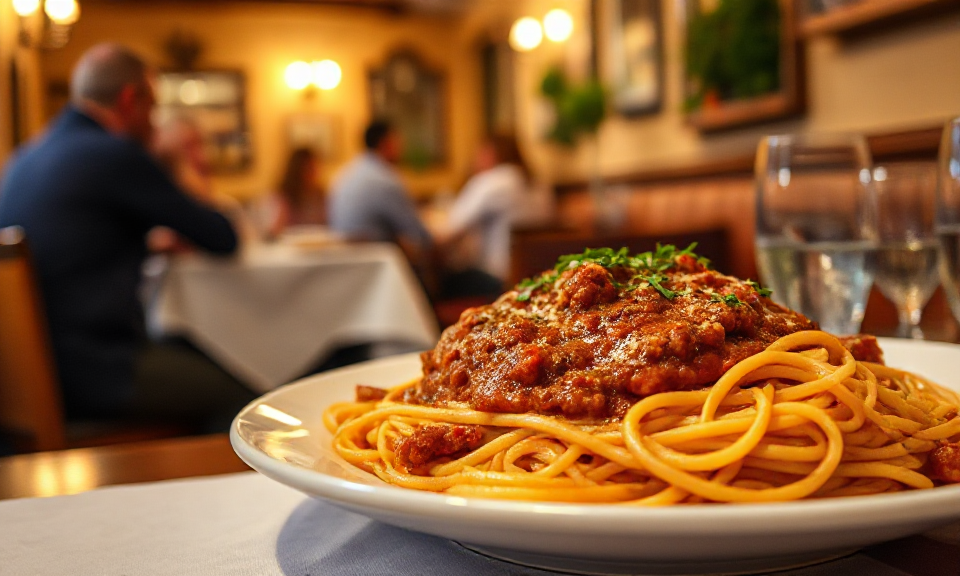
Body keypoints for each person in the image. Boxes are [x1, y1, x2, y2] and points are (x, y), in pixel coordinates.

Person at [0, 43, 253, 427]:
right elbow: (222, 237)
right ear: (131, 98)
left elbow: (80, 241)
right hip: (96, 371)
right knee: (248, 403)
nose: (153, 121)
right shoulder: (112, 154)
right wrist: (175, 160)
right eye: (152, 107)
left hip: (28, 374)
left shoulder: (27, 156)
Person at [436, 134, 531, 296]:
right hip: (535, 278)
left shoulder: (491, 182)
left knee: (436, 283)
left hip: (498, 280)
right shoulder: (537, 184)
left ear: (490, 153)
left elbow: (449, 232)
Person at [328, 120, 432, 259]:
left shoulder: (343, 174)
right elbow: (418, 233)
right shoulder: (385, 179)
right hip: (377, 264)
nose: (402, 148)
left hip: (344, 262)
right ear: (386, 143)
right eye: (398, 142)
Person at [251, 147, 326, 240]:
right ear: (297, 171)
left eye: (315, 168)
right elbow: (269, 235)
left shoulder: (320, 195)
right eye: (309, 169)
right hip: (288, 251)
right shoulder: (280, 198)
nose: (314, 173)